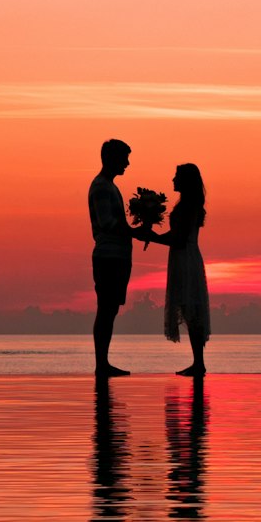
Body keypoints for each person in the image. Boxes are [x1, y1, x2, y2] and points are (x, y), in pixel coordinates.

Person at [142, 163, 210, 376]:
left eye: (176, 176)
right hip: (184, 257)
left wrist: (153, 237)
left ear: (185, 181)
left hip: (185, 259)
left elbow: (179, 239)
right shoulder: (187, 205)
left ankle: (199, 363)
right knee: (189, 309)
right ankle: (197, 362)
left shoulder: (188, 206)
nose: (172, 179)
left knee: (191, 309)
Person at [89, 139, 145, 377]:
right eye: (124, 158)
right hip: (109, 256)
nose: (127, 163)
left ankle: (104, 363)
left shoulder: (110, 187)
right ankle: (102, 364)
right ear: (111, 158)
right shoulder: (102, 187)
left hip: (117, 256)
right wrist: (134, 231)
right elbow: (106, 223)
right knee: (106, 309)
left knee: (110, 310)